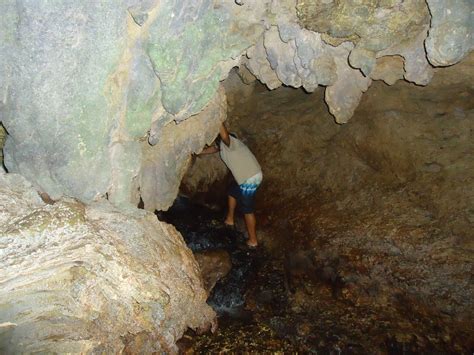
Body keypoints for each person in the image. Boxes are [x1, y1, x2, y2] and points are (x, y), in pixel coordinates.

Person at [200, 123, 262, 247]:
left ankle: (253, 241)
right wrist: (197, 153)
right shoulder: (223, 147)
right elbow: (213, 149)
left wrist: (218, 121)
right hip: (248, 178)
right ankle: (230, 219)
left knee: (247, 210)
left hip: (250, 179)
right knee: (232, 192)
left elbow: (224, 136)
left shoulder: (232, 143)